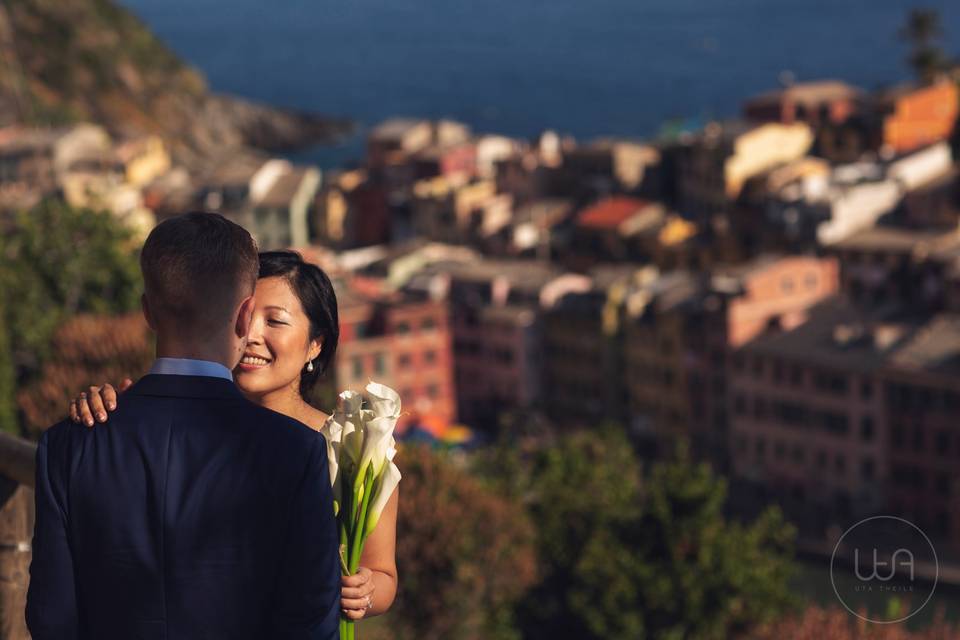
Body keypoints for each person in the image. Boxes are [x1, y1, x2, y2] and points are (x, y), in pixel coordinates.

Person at [27, 213, 341, 639]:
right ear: (244, 315)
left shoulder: (68, 444)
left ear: (147, 312)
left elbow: (51, 618)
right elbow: (308, 624)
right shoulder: (296, 451)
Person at [67, 249, 399, 624]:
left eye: (275, 321)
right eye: (243, 316)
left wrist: (366, 591)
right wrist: (116, 415)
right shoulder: (183, 427)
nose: (250, 335)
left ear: (315, 344)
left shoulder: (353, 448)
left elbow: (383, 574)